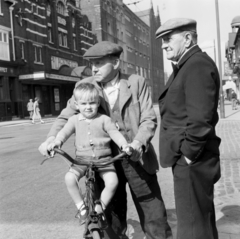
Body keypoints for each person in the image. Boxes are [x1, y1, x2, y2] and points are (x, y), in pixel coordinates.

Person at [39, 41, 172, 239]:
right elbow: (66, 117)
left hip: (136, 157)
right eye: (92, 64)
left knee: (152, 211)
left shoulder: (136, 82)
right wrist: (50, 139)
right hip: (104, 161)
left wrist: (137, 144)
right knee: (110, 215)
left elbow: (148, 119)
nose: (94, 68)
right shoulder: (85, 86)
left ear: (116, 63)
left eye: (99, 63)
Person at [156, 18, 221, 239]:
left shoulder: (196, 65)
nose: (163, 45)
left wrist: (188, 155)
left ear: (187, 38)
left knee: (193, 227)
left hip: (194, 160)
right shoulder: (187, 65)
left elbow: (201, 118)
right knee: (198, 223)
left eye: (167, 39)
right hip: (191, 160)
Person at [48, 82, 130, 227]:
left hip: (104, 160)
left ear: (98, 103)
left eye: (92, 103)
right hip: (81, 160)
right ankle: (81, 208)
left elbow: (114, 133)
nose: (88, 107)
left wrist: (124, 145)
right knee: (69, 178)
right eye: (83, 103)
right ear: (77, 105)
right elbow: (64, 132)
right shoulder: (74, 120)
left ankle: (99, 209)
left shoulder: (104, 119)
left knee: (112, 182)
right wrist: (57, 142)